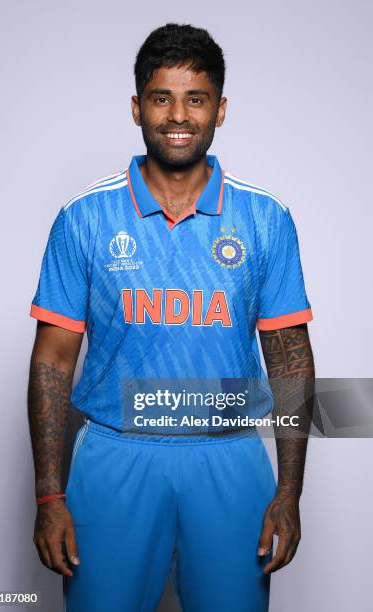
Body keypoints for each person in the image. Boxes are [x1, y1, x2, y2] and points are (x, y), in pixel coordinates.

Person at [27, 23, 315, 612]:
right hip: (114, 456)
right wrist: (49, 497)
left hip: (229, 457)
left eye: (196, 98)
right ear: (137, 108)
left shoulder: (265, 219)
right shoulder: (84, 217)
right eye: (162, 98)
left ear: (221, 109)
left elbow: (289, 358)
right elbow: (53, 360)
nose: (178, 115)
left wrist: (289, 490)